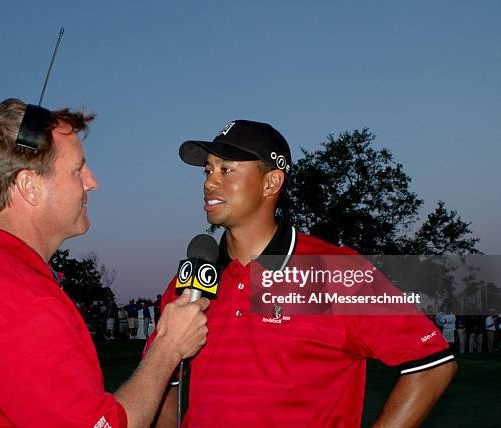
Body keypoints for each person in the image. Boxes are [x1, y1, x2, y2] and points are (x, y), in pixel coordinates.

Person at [150, 120, 457, 427]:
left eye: (226, 170)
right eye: (208, 170)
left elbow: (431, 366)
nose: (209, 183)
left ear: (271, 182)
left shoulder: (335, 270)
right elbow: (164, 385)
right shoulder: (191, 283)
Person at [0, 98, 209, 427]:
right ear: (29, 187)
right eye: (78, 169)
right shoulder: (25, 304)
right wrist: (169, 348)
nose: (92, 181)